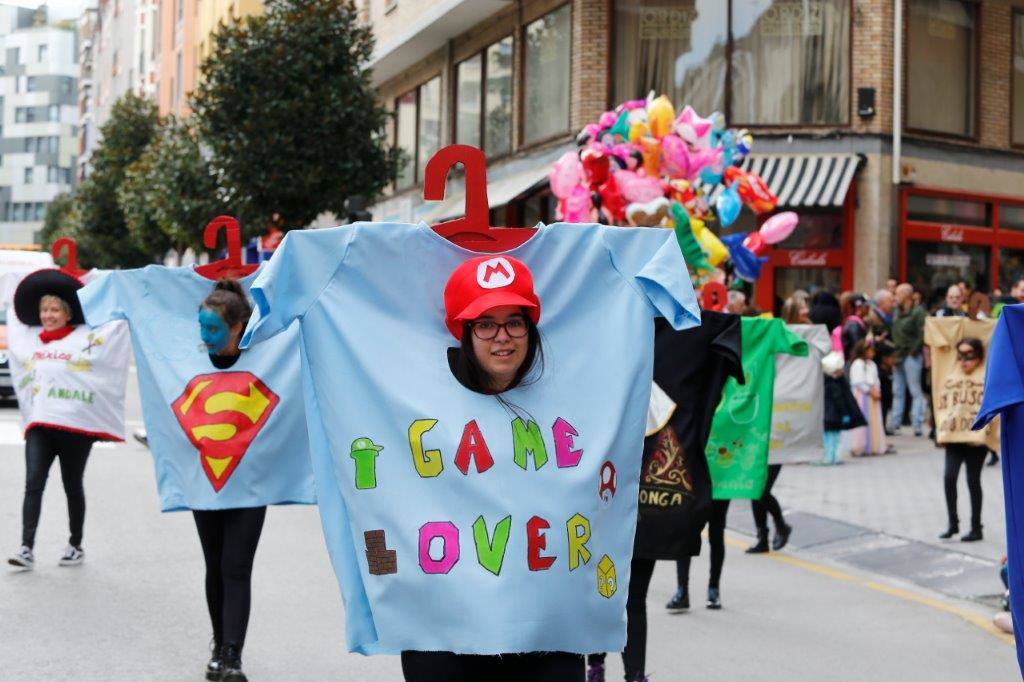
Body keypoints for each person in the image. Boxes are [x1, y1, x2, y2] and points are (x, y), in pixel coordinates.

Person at [402, 256, 584, 682]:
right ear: (465, 333)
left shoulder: (570, 395)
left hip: (546, 622)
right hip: (445, 625)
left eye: (514, 322)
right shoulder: (417, 400)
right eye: (485, 323)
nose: (502, 337)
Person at [193, 279, 265, 682]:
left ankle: (233, 656)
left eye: (213, 329)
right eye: (200, 327)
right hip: (207, 480)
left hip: (251, 481)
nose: (204, 337)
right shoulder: (190, 362)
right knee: (215, 564)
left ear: (238, 327)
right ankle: (219, 646)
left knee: (236, 566)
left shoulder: (265, 358)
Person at [7, 284, 96, 570]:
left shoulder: (83, 339)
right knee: (33, 483)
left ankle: (75, 544)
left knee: (72, 485)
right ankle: (26, 548)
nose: (48, 315)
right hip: (40, 425)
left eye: (55, 310)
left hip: (73, 428)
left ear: (67, 314)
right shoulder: (32, 340)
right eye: (44, 310)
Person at [938, 337, 988, 543]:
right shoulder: (951, 374)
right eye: (960, 355)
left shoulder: (985, 375)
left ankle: (976, 526)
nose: (964, 361)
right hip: (954, 437)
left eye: (970, 355)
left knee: (972, 480)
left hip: (976, 440)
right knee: (949, 477)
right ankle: (953, 523)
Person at [890, 283, 926, 437]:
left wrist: (914, 350)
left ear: (906, 295)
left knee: (914, 390)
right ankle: (895, 423)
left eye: (897, 293)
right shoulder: (897, 311)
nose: (895, 297)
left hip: (911, 356)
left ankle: (917, 423)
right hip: (898, 355)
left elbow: (922, 333)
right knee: (898, 390)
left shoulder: (918, 312)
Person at [821, 351, 866, 464]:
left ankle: (830, 457)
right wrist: (845, 413)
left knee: (829, 438)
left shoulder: (825, 382)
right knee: (834, 439)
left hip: (827, 417)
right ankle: (832, 457)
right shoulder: (836, 384)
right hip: (834, 417)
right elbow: (840, 401)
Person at [845, 339, 888, 456]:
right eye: (870, 351)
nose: (872, 353)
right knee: (862, 420)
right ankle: (859, 446)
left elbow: (876, 379)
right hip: (863, 396)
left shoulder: (872, 364)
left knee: (874, 421)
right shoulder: (857, 364)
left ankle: (874, 445)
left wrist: (877, 390)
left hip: (873, 395)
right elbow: (857, 382)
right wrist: (870, 390)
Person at [840, 293, 870, 360]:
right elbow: (858, 346)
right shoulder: (853, 324)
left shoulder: (859, 322)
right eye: (866, 306)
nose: (869, 309)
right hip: (854, 363)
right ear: (858, 307)